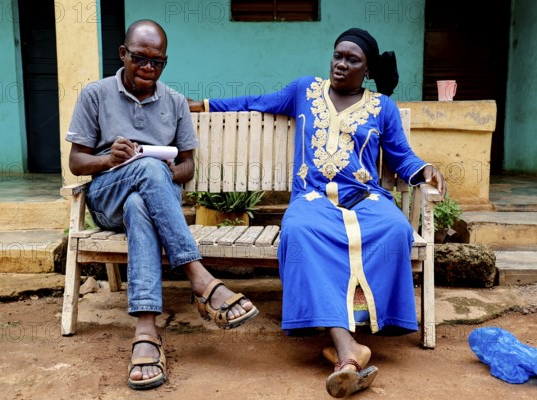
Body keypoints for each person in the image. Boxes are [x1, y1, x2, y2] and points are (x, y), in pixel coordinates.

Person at [190, 28, 446, 398]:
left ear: (368, 69)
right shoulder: (304, 91)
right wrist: (206, 105)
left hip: (367, 199)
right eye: (338, 55)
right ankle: (348, 350)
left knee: (394, 229)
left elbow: (401, 155)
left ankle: (349, 337)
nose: (341, 64)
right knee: (298, 232)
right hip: (312, 200)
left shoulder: (381, 107)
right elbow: (258, 100)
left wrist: (424, 170)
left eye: (352, 60)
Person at [65, 19, 258, 391]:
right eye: (140, 59)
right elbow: (76, 163)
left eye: (158, 62)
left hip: (152, 197)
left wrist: (169, 168)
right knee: (143, 177)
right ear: (123, 54)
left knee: (143, 201)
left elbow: (187, 167)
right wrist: (110, 159)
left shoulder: (173, 102)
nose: (149, 69)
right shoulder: (95, 94)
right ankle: (201, 279)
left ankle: (146, 331)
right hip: (108, 197)